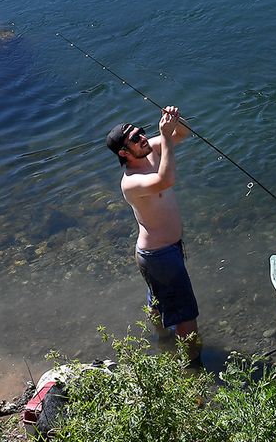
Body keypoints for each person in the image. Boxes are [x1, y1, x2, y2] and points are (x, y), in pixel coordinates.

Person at [106, 105, 201, 364]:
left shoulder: (150, 151)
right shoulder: (131, 182)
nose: (143, 138)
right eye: (136, 138)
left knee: (158, 300)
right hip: (159, 255)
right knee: (186, 316)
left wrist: (174, 121)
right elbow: (165, 180)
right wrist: (166, 137)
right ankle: (192, 367)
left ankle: (161, 338)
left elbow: (184, 134)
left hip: (163, 252)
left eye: (142, 132)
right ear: (124, 153)